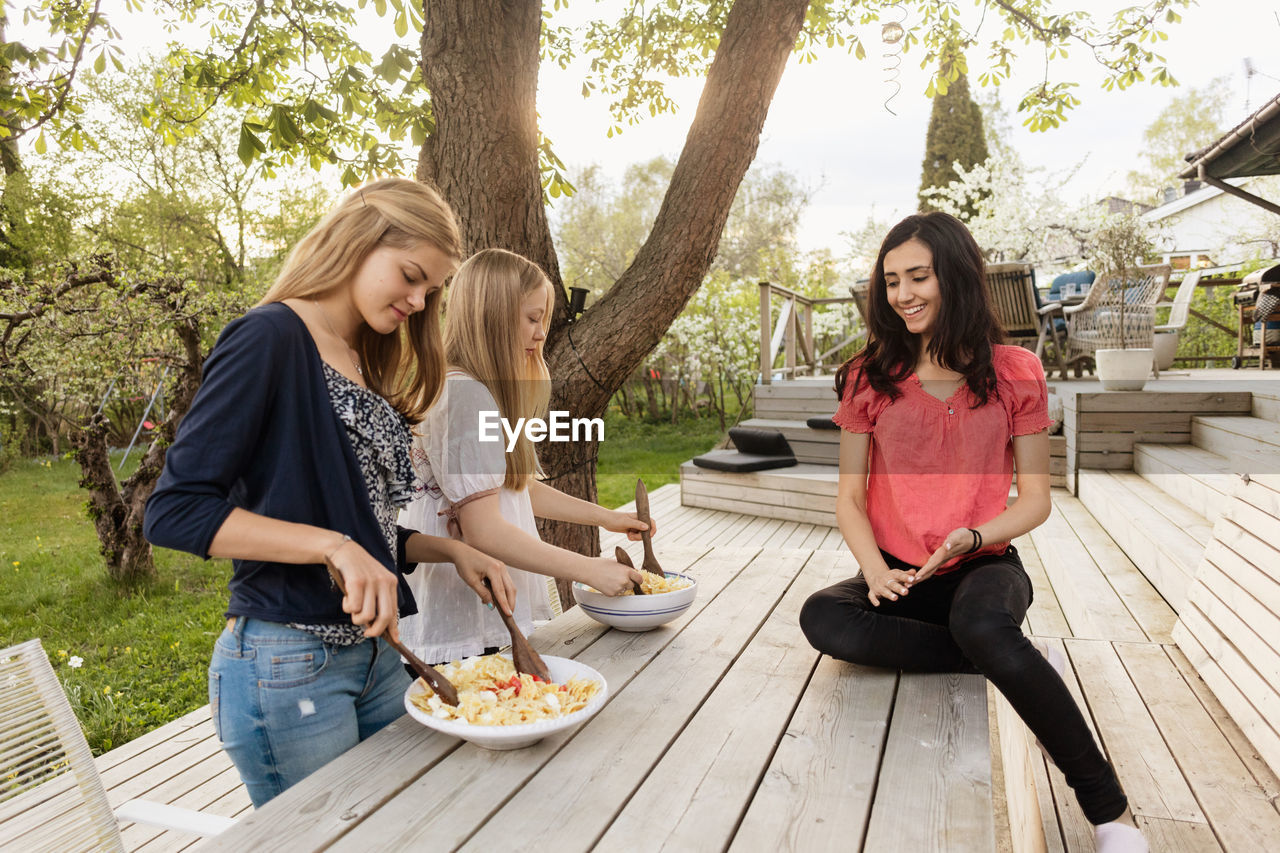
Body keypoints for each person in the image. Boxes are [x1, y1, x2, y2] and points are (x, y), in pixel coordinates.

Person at [144, 178, 516, 807]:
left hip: (375, 659)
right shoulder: (268, 337)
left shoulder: (359, 356)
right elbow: (174, 511)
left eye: (431, 289)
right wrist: (334, 546)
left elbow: (353, 520)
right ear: (359, 238)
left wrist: (452, 551)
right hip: (288, 663)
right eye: (410, 275)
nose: (420, 300)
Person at [797, 212, 1147, 853]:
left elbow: (1036, 500)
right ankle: (990, 656)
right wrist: (875, 571)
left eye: (918, 276)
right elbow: (848, 498)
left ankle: (1111, 813)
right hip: (902, 574)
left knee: (984, 621)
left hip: (983, 565)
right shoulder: (867, 376)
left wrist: (974, 537)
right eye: (892, 280)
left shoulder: (1015, 371)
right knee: (824, 617)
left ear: (954, 275)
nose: (903, 294)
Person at [398, 248, 648, 665]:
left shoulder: (473, 390)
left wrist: (606, 517)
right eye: (533, 319)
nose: (541, 335)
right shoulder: (465, 398)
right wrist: (589, 569)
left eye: (544, 321)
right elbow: (484, 532)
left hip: (479, 608)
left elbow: (513, 489)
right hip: (461, 616)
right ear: (492, 317)